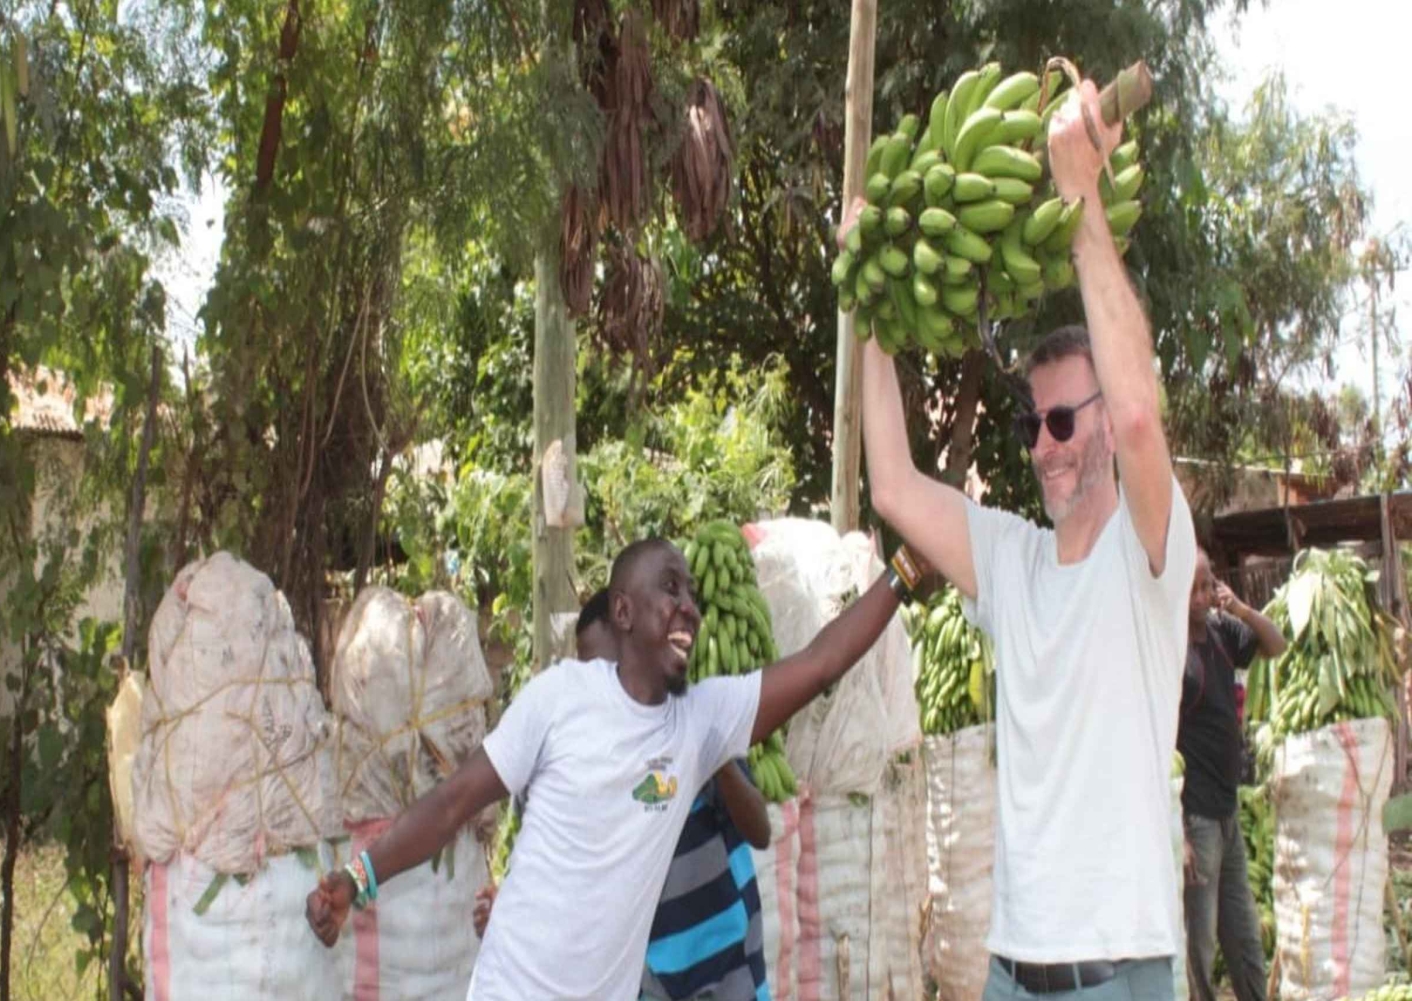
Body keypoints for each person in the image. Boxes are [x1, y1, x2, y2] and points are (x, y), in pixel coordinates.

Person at [851, 78, 1196, 1000]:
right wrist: (870, 306)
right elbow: (891, 485)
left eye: (1061, 421)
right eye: (1031, 426)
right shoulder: (1012, 561)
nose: (1044, 446)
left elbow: (1133, 415)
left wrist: (1079, 192)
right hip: (1008, 971)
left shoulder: (1152, 554)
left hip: (1122, 971)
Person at [307, 537, 924, 1000]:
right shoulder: (559, 699)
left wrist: (904, 571)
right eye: (670, 589)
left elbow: (820, 664)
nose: (688, 607)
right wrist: (356, 878)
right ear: (623, 613)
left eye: (691, 594)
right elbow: (451, 805)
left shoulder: (701, 723)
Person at [473, 587, 774, 1001]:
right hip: (643, 982)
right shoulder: (562, 759)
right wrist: (506, 916)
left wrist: (712, 755)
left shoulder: (686, 726)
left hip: (724, 970)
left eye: (609, 668)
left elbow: (759, 830)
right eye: (587, 670)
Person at [1178, 547, 1284, 1001]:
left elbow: (1275, 644)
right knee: (1198, 947)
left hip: (1227, 815)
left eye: (1207, 585)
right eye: (1193, 589)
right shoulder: (1174, 656)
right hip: (1197, 819)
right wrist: (1178, 830)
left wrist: (1238, 607)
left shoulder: (1222, 633)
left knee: (1243, 938)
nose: (1202, 597)